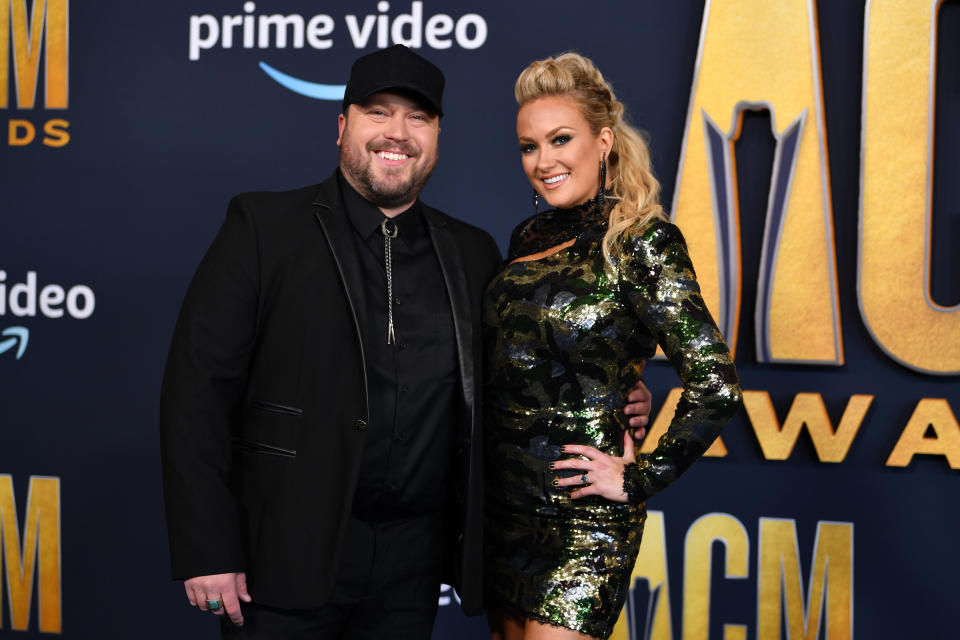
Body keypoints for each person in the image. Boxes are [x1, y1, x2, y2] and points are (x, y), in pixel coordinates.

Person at [160, 45, 653, 640]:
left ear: (438, 136)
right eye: (377, 112)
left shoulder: (471, 253)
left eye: (417, 117)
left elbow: (521, 370)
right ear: (342, 126)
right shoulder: (264, 228)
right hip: (283, 559)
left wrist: (616, 390)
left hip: (411, 571)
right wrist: (208, 546)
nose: (397, 132)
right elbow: (195, 394)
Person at [482, 53, 743, 640]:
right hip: (502, 511)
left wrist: (637, 479)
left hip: (583, 521)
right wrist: (622, 380)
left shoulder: (641, 239)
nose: (543, 161)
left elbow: (715, 385)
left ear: (602, 142)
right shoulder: (527, 236)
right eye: (529, 146)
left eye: (560, 139)